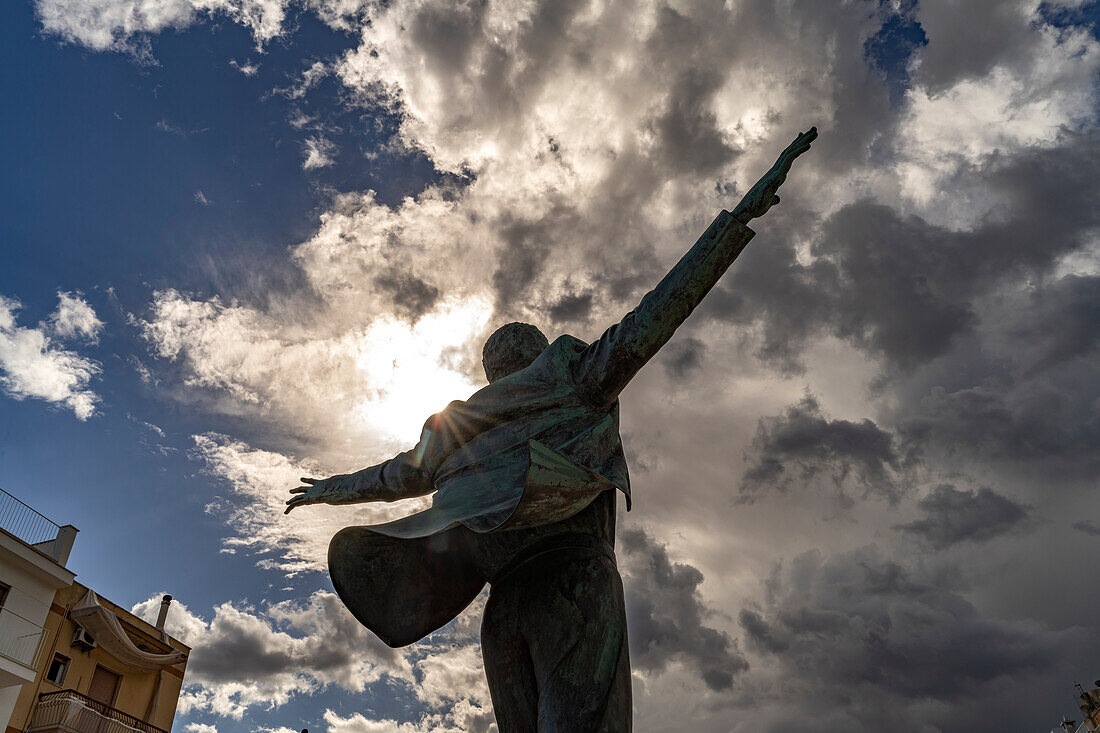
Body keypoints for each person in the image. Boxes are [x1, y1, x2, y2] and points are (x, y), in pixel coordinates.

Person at [285, 127, 818, 732]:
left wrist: (330, 488)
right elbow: (661, 309)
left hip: (503, 610)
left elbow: (395, 476)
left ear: (491, 371)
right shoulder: (572, 378)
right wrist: (741, 216)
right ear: (538, 352)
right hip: (575, 581)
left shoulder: (456, 429)